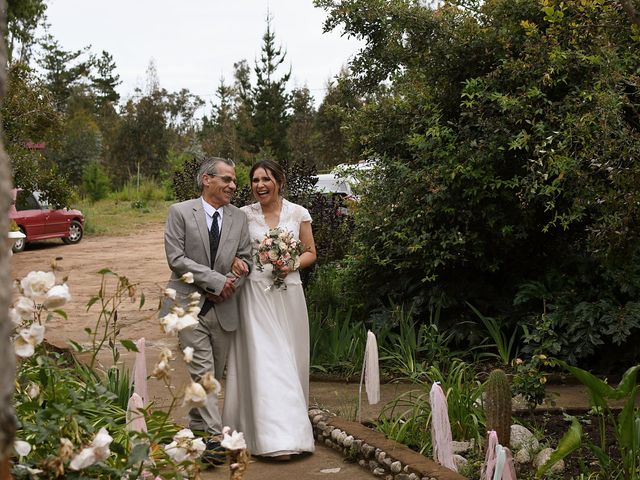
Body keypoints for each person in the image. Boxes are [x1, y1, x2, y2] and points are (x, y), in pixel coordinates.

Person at [223, 159, 317, 460]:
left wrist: (290, 264)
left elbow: (311, 252)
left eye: (265, 179)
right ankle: (276, 439)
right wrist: (235, 262)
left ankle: (289, 428)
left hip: (289, 293)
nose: (259, 185)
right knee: (267, 360)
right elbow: (230, 252)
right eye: (254, 180)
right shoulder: (242, 215)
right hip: (255, 296)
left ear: (279, 181)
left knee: (290, 359)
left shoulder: (298, 213)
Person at [161, 157, 252, 463]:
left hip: (225, 308)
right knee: (204, 374)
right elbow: (177, 259)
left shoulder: (239, 218)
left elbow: (246, 259)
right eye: (226, 179)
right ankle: (216, 440)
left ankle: (198, 436)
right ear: (206, 180)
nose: (233, 185)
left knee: (211, 375)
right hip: (188, 307)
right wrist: (217, 281)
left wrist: (234, 281)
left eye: (235, 181)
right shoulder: (180, 212)